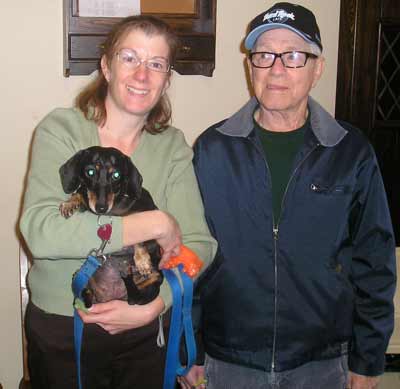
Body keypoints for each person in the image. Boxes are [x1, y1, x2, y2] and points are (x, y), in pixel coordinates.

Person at [180, 3, 396, 389]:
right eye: (264, 55)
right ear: (250, 68)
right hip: (228, 360)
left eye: (294, 56)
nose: (276, 69)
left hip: (323, 362)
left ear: (318, 69)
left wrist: (368, 357)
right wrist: (188, 347)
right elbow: (191, 256)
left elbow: (374, 261)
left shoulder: (351, 152)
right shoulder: (213, 149)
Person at [19, 15, 217, 389]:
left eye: (156, 64)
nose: (142, 74)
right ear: (106, 66)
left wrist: (156, 305)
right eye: (129, 58)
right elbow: (40, 232)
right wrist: (153, 224)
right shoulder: (61, 130)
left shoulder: (172, 147)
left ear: (166, 80)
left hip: (145, 332)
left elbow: (200, 245)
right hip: (64, 328)